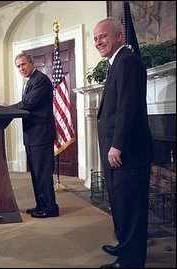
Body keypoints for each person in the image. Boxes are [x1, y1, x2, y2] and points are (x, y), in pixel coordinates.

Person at [93, 18, 153, 268]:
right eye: (95, 38)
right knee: (120, 201)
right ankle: (124, 246)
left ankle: (131, 260)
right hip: (117, 149)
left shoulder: (127, 61)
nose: (98, 42)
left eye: (103, 36)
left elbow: (127, 108)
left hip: (128, 150)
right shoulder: (116, 63)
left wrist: (116, 145)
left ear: (119, 36)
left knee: (131, 204)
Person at [9, 52, 58, 219]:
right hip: (32, 135)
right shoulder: (30, 81)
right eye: (18, 66)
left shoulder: (41, 80)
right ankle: (41, 204)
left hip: (41, 135)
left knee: (43, 173)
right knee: (36, 173)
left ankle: (50, 207)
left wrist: (7, 109)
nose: (21, 68)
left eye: (23, 64)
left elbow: (28, 103)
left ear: (32, 63)